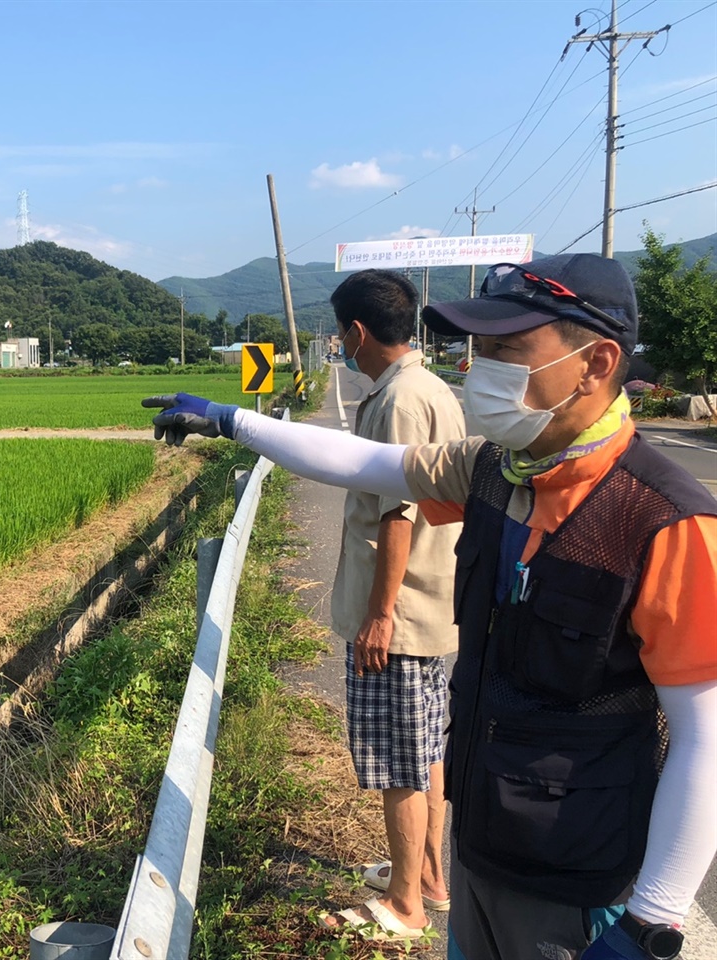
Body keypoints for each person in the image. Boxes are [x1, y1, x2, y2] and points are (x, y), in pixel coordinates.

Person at [144, 254, 717, 959]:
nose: (481, 369)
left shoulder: (665, 522)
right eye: (479, 349)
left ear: (596, 363)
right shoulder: (497, 470)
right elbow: (362, 464)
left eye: (507, 350)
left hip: (579, 885)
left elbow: (705, 737)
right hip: (481, 843)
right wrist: (232, 421)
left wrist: (651, 924)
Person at [321, 270, 464, 939]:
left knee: (400, 763)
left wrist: (379, 615)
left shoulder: (395, 402)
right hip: (433, 604)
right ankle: (430, 879)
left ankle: (405, 905)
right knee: (427, 751)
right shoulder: (432, 386)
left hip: (400, 617)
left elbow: (396, 517)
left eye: (339, 332)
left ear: (356, 331)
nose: (340, 344)